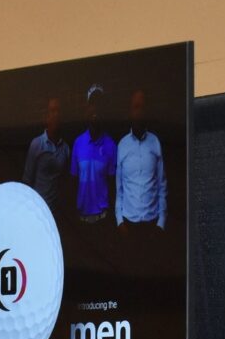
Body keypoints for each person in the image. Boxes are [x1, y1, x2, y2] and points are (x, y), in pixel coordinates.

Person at [116, 89, 168, 230]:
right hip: (128, 224)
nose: (139, 112)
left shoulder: (155, 142)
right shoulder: (122, 145)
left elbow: (162, 185)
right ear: (130, 112)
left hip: (152, 224)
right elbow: (119, 189)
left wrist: (161, 222)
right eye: (136, 107)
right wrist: (119, 220)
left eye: (142, 108)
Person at [70, 83, 117, 222]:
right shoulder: (78, 143)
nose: (95, 108)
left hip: (103, 217)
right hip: (81, 218)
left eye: (99, 104)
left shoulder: (111, 145)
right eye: (92, 104)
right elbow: (73, 182)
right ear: (87, 108)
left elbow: (113, 185)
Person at [23, 96, 71, 218]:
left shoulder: (66, 149)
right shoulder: (37, 144)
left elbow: (64, 182)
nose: (55, 115)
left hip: (56, 215)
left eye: (58, 111)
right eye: (52, 111)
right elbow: (27, 180)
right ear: (46, 116)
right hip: (37, 212)